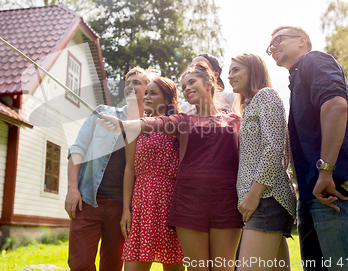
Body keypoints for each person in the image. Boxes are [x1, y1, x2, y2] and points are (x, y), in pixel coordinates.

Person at [98, 63, 243, 271]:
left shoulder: (235, 120)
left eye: (192, 82)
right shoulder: (183, 121)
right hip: (188, 205)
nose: (187, 89)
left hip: (226, 203)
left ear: (210, 82)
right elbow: (152, 123)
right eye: (184, 86)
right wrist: (123, 124)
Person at [267, 26, 348, 270]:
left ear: (302, 41)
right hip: (313, 190)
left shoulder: (314, 60)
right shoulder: (297, 79)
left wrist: (326, 170)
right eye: (270, 47)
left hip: (335, 184)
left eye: (278, 40)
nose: (273, 47)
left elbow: (335, 105)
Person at [65, 66, 154, 271]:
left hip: (123, 208)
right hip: (87, 200)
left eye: (136, 82)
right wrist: (72, 188)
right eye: (127, 82)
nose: (130, 86)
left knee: (112, 266)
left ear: (148, 88)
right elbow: (77, 149)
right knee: (79, 264)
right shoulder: (103, 113)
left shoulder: (151, 126)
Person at [228, 53, 296, 271]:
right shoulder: (250, 106)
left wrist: (253, 195)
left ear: (253, 70)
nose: (230, 76)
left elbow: (274, 148)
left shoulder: (266, 96)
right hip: (263, 202)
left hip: (266, 199)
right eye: (229, 71)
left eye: (236, 70)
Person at [121, 76, 184, 271]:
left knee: (173, 265)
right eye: (146, 92)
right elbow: (129, 169)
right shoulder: (135, 126)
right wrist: (126, 209)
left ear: (167, 100)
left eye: (153, 93)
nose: (147, 96)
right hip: (142, 201)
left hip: (171, 202)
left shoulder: (180, 128)